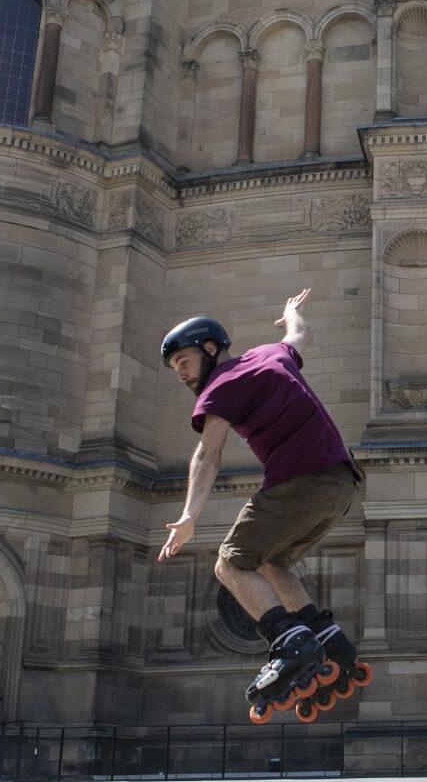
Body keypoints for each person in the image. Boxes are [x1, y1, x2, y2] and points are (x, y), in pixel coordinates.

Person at [156, 290, 368, 721]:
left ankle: (290, 643)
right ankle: (330, 642)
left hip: (299, 483)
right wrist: (291, 312)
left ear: (210, 349)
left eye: (183, 363)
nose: (181, 375)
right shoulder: (271, 354)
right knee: (272, 563)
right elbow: (300, 334)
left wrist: (189, 517)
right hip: (342, 485)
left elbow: (208, 454)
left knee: (231, 564)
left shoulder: (219, 387)